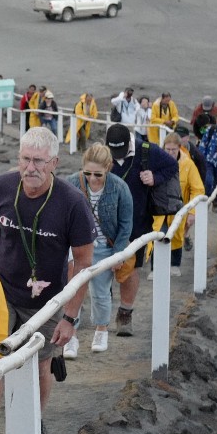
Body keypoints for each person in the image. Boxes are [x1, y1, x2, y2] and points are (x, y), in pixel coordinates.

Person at [0, 127, 96, 434]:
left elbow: (83, 265)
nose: (30, 168)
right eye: (25, 159)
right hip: (3, 292)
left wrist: (70, 318)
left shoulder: (72, 203)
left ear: (54, 162)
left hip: (49, 301)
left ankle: (34, 421)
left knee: (39, 366)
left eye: (39, 161)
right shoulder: (1, 187)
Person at [105, 123, 182, 336]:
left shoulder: (147, 150)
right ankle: (101, 318)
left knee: (132, 268)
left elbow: (171, 166)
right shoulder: (103, 152)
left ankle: (125, 314)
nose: (116, 157)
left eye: (120, 151)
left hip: (138, 222)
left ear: (129, 143)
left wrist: (154, 178)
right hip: (106, 223)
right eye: (113, 152)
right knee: (102, 269)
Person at [72, 144, 132, 355]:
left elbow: (126, 223)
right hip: (76, 246)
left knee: (100, 292)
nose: (92, 178)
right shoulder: (72, 183)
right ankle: (72, 335)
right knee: (71, 291)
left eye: (98, 174)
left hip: (105, 247)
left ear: (108, 167)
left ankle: (101, 329)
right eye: (87, 173)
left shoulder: (119, 187)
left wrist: (119, 253)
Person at [157, 129, 205, 268]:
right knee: (158, 235)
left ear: (179, 148)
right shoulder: (156, 163)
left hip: (179, 208)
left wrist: (192, 212)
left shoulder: (188, 164)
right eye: (167, 149)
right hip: (159, 207)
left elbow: (197, 189)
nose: (170, 153)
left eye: (173, 149)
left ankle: (175, 265)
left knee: (177, 235)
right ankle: (156, 268)